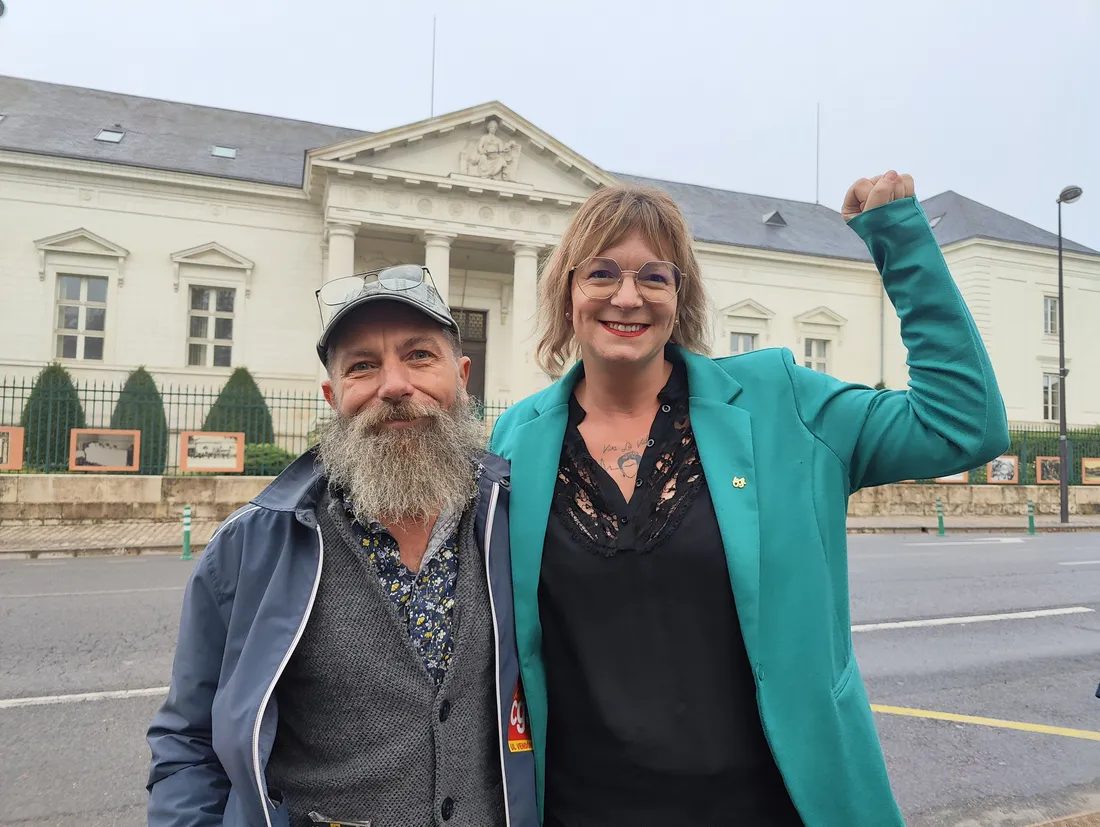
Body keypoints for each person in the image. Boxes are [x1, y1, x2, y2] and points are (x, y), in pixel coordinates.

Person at [488, 174, 1010, 827]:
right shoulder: (519, 437)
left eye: (655, 275)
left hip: (765, 807)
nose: (627, 295)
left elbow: (964, 424)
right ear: (567, 291)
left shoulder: (779, 402)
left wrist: (901, 243)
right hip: (582, 808)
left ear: (681, 297)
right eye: (601, 273)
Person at [147, 265, 538, 827]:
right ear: (334, 395)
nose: (395, 385)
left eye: (420, 356)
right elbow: (190, 740)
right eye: (363, 366)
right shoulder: (253, 546)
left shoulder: (516, 523)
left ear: (463, 375)